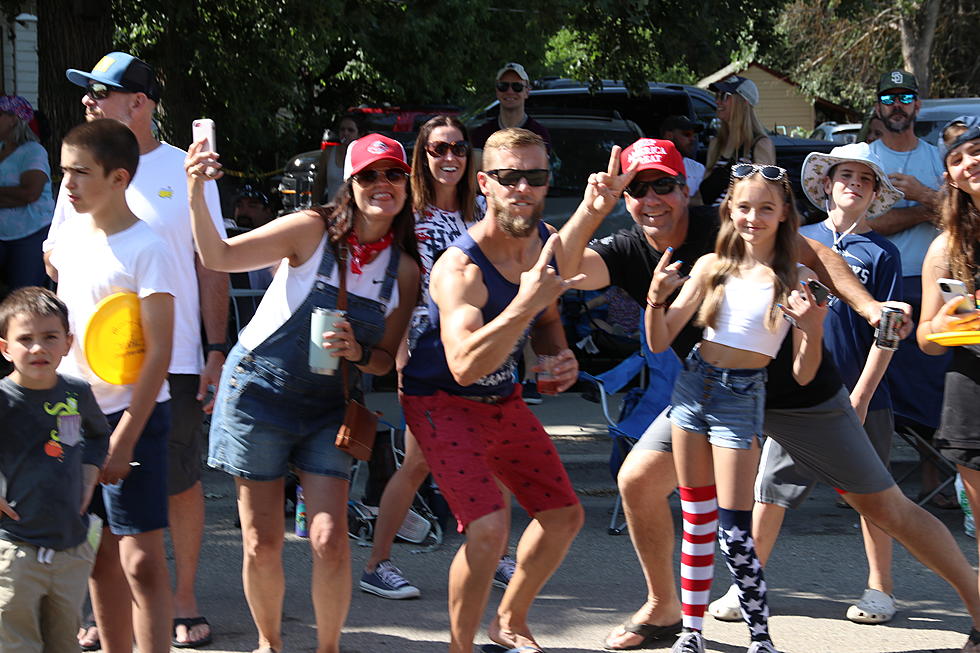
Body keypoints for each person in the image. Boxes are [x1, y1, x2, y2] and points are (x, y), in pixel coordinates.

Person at [557, 138, 980, 652]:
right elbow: (563, 269)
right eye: (639, 188)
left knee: (885, 506)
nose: (652, 199)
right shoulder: (624, 248)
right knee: (638, 480)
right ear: (625, 196)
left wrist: (868, 308)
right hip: (714, 391)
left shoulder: (732, 217)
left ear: (684, 187)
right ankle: (666, 611)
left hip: (800, 394)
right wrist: (590, 208)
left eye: (664, 185)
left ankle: (979, 605)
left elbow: (815, 253)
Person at [185, 132, 420, 653]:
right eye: (369, 176)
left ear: (407, 184)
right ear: (350, 185)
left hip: (326, 410)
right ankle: (270, 644)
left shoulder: (404, 269)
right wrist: (198, 192)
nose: (382, 184)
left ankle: (328, 648)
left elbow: (383, 358)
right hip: (258, 393)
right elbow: (219, 255)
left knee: (330, 539)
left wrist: (358, 353)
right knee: (261, 541)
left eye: (393, 174)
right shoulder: (311, 230)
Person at [44, 51, 230, 649]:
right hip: (83, 387)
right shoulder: (80, 184)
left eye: (101, 91)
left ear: (140, 103)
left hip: (164, 365)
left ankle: (184, 600)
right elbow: (57, 264)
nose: (88, 101)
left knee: (172, 486)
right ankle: (107, 621)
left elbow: (211, 265)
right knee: (97, 534)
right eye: (87, 93)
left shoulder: (186, 169)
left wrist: (215, 347)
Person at [399, 128, 583, 653]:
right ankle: (460, 648)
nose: (523, 188)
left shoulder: (543, 243)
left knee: (564, 516)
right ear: (484, 184)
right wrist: (524, 304)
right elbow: (462, 365)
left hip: (503, 401)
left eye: (536, 177)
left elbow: (545, 320)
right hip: (440, 403)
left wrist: (557, 353)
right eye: (509, 178)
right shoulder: (460, 266)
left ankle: (509, 621)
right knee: (486, 530)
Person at [709, 143, 905, 626]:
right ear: (826, 185)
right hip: (799, 395)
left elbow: (889, 329)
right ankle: (746, 583)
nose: (853, 184)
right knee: (769, 491)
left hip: (865, 393)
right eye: (844, 175)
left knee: (873, 495)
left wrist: (860, 396)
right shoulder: (793, 237)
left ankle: (881, 589)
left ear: (876, 192)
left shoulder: (883, 251)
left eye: (865, 179)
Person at [645, 160, 825, 653]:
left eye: (766, 208)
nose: (753, 218)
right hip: (692, 388)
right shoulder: (709, 266)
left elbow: (804, 374)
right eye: (743, 207)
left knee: (733, 530)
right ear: (729, 209)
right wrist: (655, 299)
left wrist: (811, 326)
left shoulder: (795, 276)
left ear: (785, 213)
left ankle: (760, 637)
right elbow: (660, 342)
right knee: (696, 519)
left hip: (742, 397)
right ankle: (692, 632)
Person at [359, 115, 518, 600]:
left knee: (498, 459)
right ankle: (377, 564)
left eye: (457, 148)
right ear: (421, 157)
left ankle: (496, 554)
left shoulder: (483, 211)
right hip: (428, 357)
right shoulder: (409, 218)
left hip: (484, 352)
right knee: (418, 463)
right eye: (437, 149)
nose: (449, 158)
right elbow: (400, 293)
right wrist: (402, 359)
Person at [46, 118, 177, 653]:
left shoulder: (148, 247)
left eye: (81, 173)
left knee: (141, 560)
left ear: (119, 178)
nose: (69, 186)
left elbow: (159, 352)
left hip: (134, 419)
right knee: (98, 553)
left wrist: (124, 436)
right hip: (74, 418)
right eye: (63, 173)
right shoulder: (71, 239)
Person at [0, 287, 110, 652]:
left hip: (70, 549)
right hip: (14, 549)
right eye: (25, 339)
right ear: (5, 348)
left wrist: (90, 472)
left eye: (49, 337)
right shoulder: (3, 399)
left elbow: (96, 434)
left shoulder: (76, 393)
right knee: (17, 644)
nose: (37, 348)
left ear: (68, 343)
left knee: (64, 642)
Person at [867, 70, 951, 505]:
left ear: (918, 105)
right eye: (888, 96)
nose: (896, 104)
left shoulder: (939, 158)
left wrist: (919, 192)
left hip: (936, 287)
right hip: (882, 288)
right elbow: (868, 223)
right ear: (879, 106)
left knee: (935, 384)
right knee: (880, 382)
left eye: (905, 97)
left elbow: (962, 217)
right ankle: (869, 483)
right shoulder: (866, 158)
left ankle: (934, 477)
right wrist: (924, 208)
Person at [918, 116, 980, 653]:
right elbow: (926, 339)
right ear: (952, 178)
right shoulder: (945, 248)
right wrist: (945, 325)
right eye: (958, 159)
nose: (969, 162)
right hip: (972, 391)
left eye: (977, 152)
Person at [0, 95, 55, 295]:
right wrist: (14, 196)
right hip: (3, 234)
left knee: (23, 295)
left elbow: (31, 193)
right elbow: (22, 194)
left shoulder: (33, 151)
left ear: (14, 119)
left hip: (31, 233)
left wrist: (18, 195)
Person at [699, 76, 776, 207]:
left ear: (744, 102)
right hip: (711, 222)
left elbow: (767, 195)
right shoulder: (716, 143)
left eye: (724, 96)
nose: (717, 101)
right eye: (717, 96)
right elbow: (702, 196)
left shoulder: (759, 145)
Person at [470, 62, 551, 161]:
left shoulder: (538, 134)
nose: (510, 91)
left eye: (517, 86)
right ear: (497, 91)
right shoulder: (480, 134)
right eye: (503, 86)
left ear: (527, 91)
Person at [313, 114, 362, 203]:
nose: (345, 133)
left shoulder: (363, 154)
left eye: (350, 130)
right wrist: (314, 205)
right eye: (342, 129)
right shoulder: (328, 153)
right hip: (332, 210)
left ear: (359, 135)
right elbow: (320, 182)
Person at [661, 114, 706, 200]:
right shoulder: (653, 166)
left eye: (694, 135)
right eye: (687, 134)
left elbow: (701, 202)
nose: (692, 139)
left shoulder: (698, 168)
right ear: (669, 135)